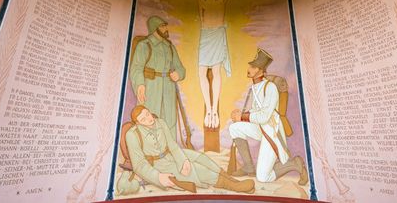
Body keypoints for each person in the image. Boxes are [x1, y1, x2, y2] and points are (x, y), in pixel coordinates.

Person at [146, 0, 279, 128]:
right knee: (201, 71)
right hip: (205, 36)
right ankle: (208, 109)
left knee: (216, 71)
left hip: (217, 36)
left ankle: (214, 110)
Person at [126, 105, 256, 194]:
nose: (149, 119)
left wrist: (183, 161)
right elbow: (139, 165)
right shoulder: (132, 135)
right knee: (198, 169)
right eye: (143, 119)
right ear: (138, 123)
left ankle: (230, 179)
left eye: (148, 114)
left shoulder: (160, 122)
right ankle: (233, 186)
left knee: (202, 158)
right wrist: (158, 177)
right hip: (158, 165)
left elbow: (172, 145)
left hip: (170, 154)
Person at [229, 48, 308, 184]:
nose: (249, 68)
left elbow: (264, 117)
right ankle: (248, 167)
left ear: (261, 71)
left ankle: (294, 164)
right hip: (261, 128)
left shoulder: (270, 87)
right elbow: (255, 112)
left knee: (263, 177)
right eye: (250, 65)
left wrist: (242, 116)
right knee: (234, 128)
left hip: (272, 132)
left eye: (253, 67)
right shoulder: (254, 88)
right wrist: (240, 116)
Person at [130, 15, 185, 140]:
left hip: (168, 89)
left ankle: (170, 152)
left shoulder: (170, 47)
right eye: (162, 26)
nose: (166, 29)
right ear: (154, 28)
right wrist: (140, 84)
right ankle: (150, 153)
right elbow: (136, 68)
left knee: (169, 120)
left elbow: (180, 68)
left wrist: (179, 74)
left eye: (165, 25)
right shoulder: (144, 45)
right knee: (149, 119)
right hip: (150, 87)